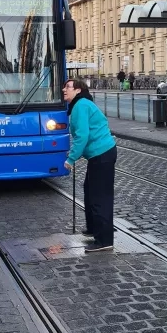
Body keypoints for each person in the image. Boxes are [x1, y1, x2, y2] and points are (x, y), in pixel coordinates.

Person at [63, 78, 117, 253]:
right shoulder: (82, 104)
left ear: (78, 90)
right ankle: (94, 228)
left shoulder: (80, 106)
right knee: (90, 190)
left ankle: (104, 240)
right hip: (101, 154)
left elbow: (82, 135)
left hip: (101, 154)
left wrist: (71, 159)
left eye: (68, 87)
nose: (64, 89)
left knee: (100, 197)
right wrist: (75, 152)